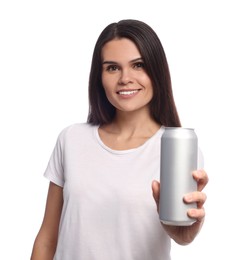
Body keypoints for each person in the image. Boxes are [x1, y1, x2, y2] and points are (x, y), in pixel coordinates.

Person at [31, 19, 208, 260]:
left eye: (138, 65)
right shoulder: (71, 140)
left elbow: (182, 236)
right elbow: (47, 238)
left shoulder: (176, 149)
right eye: (112, 68)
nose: (125, 78)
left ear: (156, 70)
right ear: (99, 76)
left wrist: (185, 232)